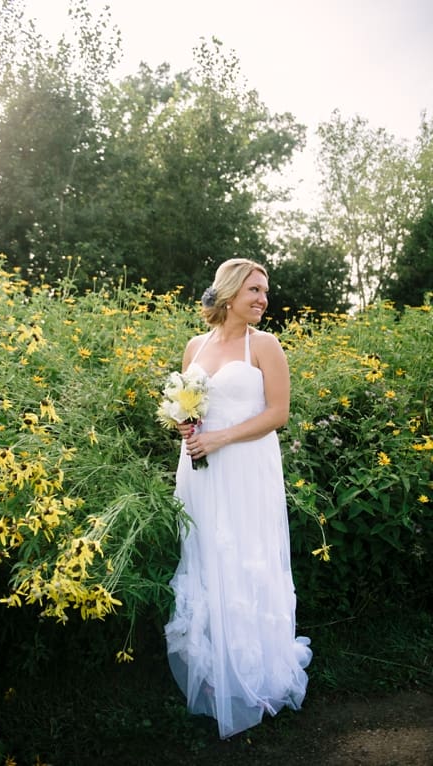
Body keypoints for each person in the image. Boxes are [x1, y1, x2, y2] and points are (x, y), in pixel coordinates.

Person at [164, 258, 312, 739]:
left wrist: (221, 438)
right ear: (228, 293)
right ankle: (213, 676)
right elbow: (188, 402)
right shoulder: (195, 345)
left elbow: (278, 414)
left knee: (248, 559)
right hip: (202, 470)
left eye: (265, 291)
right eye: (254, 290)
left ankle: (257, 674)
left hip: (247, 468)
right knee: (209, 560)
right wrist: (186, 425)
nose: (263, 299)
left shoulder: (264, 345)